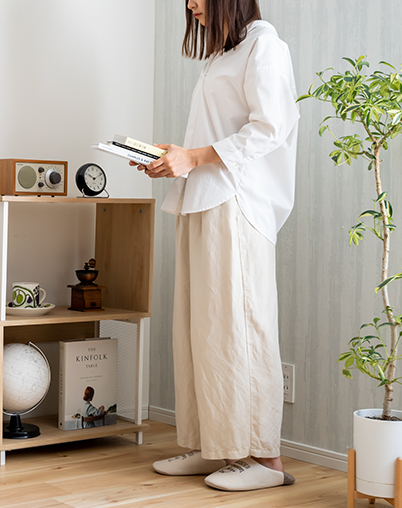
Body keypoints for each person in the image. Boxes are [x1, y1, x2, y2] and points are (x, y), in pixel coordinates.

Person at [137, 0, 299, 492]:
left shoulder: (264, 46)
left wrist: (194, 157)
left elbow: (271, 127)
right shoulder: (221, 54)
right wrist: (173, 156)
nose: (191, 5)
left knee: (240, 326)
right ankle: (216, 446)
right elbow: (213, 136)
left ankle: (266, 461)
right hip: (203, 198)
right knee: (201, 328)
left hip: (238, 203)